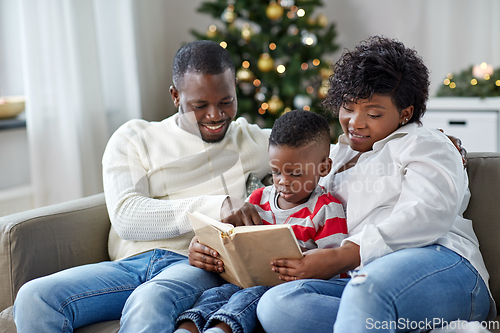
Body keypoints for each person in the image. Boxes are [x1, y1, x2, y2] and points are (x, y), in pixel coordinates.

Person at [13, 40, 271, 332]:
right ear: (175, 96)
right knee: (34, 298)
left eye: (226, 101)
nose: (215, 115)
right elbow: (126, 216)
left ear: (235, 88)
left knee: (149, 300)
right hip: (128, 266)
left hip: (193, 265)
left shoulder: (252, 142)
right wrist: (218, 206)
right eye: (200, 106)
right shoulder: (134, 138)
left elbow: (321, 155)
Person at [252, 36, 495, 333]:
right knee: (276, 304)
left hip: (443, 264)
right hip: (361, 282)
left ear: (405, 112)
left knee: (367, 290)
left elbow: (429, 213)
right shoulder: (331, 158)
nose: (356, 122)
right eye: (348, 107)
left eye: (373, 113)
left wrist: (343, 255)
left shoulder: (426, 143)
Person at [174, 110, 347, 333]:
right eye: (276, 171)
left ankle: (221, 329)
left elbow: (335, 268)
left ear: (323, 167)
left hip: (281, 288)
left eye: (295, 174)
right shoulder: (258, 199)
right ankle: (187, 328)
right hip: (242, 281)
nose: (283, 182)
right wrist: (210, 243)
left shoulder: (325, 208)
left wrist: (304, 263)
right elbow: (232, 237)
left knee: (248, 298)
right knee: (214, 295)